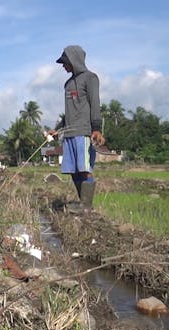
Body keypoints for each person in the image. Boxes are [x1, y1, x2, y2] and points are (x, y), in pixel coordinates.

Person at [49, 45, 105, 212]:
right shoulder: (67, 84)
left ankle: (87, 206)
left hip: (84, 133)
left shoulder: (90, 78)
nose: (63, 66)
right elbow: (68, 113)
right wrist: (57, 129)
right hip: (69, 134)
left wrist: (96, 128)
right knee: (73, 171)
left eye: (65, 62)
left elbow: (95, 104)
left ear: (74, 61)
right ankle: (83, 203)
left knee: (85, 169)